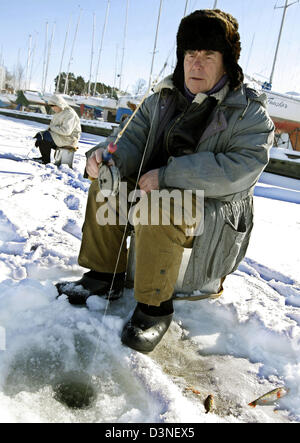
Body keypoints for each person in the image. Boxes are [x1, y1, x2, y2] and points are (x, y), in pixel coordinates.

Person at [56, 9, 274, 353]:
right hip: (155, 200)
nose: (196, 64)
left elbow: (240, 169)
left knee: (163, 202)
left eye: (208, 55)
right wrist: (104, 154)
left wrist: (168, 175)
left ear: (227, 63)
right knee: (109, 180)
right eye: (190, 54)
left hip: (212, 219)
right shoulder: (161, 98)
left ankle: (153, 309)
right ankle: (103, 276)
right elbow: (125, 138)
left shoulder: (250, 113)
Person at [33, 94, 81, 164]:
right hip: (61, 137)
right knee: (43, 135)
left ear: (59, 104)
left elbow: (66, 131)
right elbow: (52, 127)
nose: (52, 108)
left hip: (69, 139)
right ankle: (43, 157)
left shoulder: (70, 113)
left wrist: (50, 130)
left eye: (53, 106)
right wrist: (41, 135)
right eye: (51, 106)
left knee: (46, 136)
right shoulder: (58, 113)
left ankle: (45, 160)